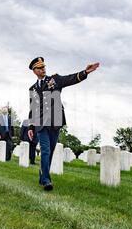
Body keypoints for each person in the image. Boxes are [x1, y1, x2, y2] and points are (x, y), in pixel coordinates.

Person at [27, 57, 99, 191]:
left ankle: (42, 174)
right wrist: (31, 127)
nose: (43, 69)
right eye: (40, 68)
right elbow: (33, 109)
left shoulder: (54, 80)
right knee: (46, 151)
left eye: (44, 67)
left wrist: (85, 72)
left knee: (51, 151)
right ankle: (46, 180)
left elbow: (70, 79)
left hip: (55, 121)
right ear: (34, 71)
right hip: (41, 124)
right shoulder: (32, 89)